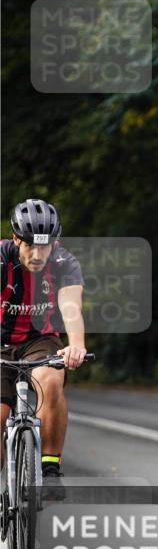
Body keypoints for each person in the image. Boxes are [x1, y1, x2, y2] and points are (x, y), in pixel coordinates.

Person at [1, 199, 87, 486]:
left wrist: (76, 345)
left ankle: (49, 469)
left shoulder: (64, 262)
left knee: (51, 381)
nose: (37, 255)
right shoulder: (2, 259)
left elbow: (71, 307)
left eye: (45, 246)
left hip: (40, 341)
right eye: (29, 246)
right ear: (16, 239)